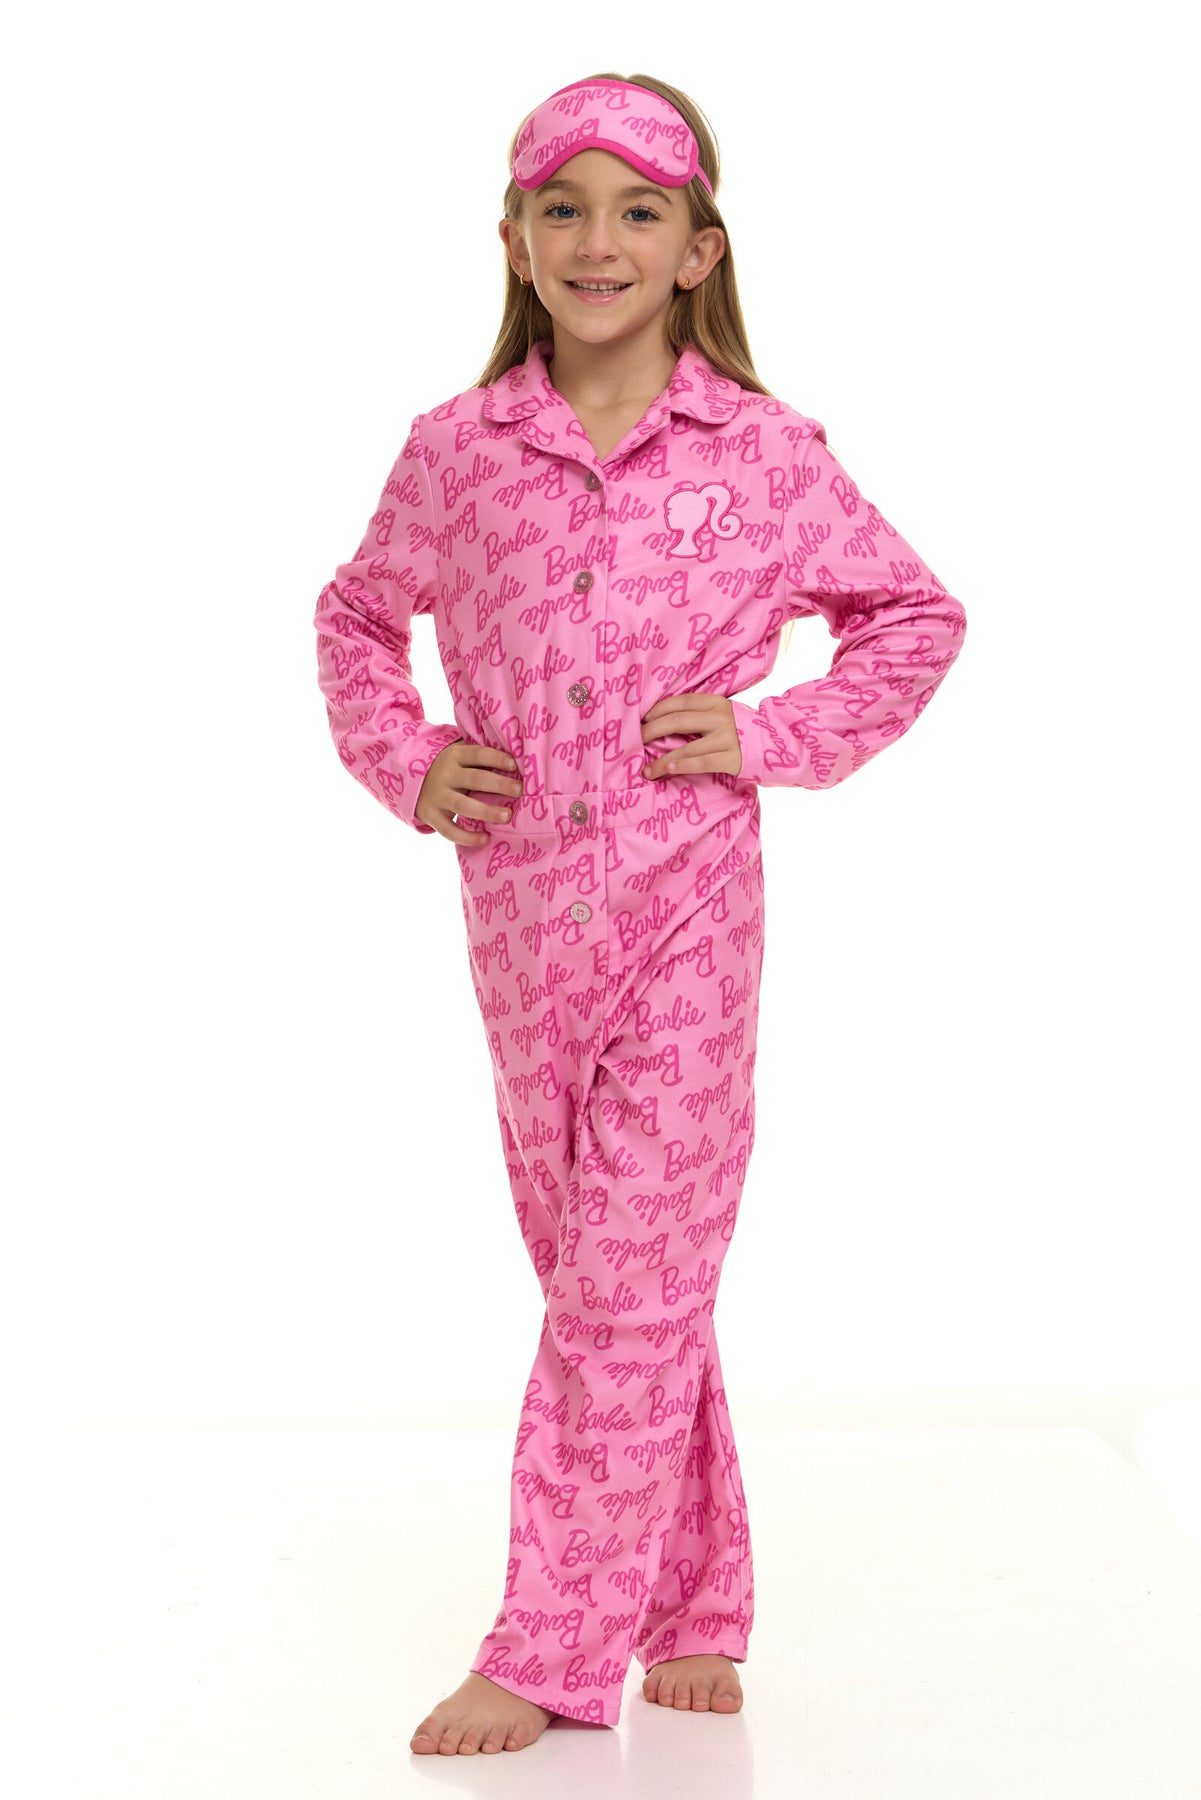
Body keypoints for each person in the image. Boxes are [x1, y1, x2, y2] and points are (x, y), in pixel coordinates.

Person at [312, 70, 967, 1757]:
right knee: (607, 1277)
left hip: (691, 923)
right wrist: (411, 759)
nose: (597, 239)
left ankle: (548, 1648)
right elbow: (356, 617)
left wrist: (771, 736)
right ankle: (693, 1597)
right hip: (520, 927)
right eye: (564, 207)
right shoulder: (459, 452)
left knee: (625, 1289)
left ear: (696, 249)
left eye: (637, 209)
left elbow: (911, 615)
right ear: (515, 239)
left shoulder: (764, 452)